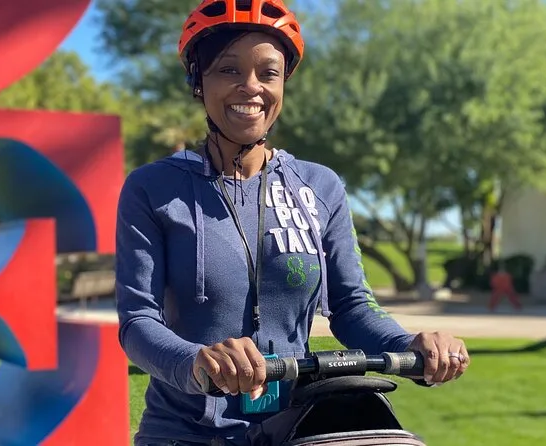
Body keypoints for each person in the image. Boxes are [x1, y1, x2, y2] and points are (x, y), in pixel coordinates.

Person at [115, 1, 470, 445]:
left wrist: (410, 344)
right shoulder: (153, 188)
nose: (251, 87)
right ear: (198, 80)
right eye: (228, 70)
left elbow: (351, 306)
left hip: (295, 428)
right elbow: (137, 321)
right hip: (185, 433)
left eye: (268, 73)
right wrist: (198, 361)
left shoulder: (320, 187)